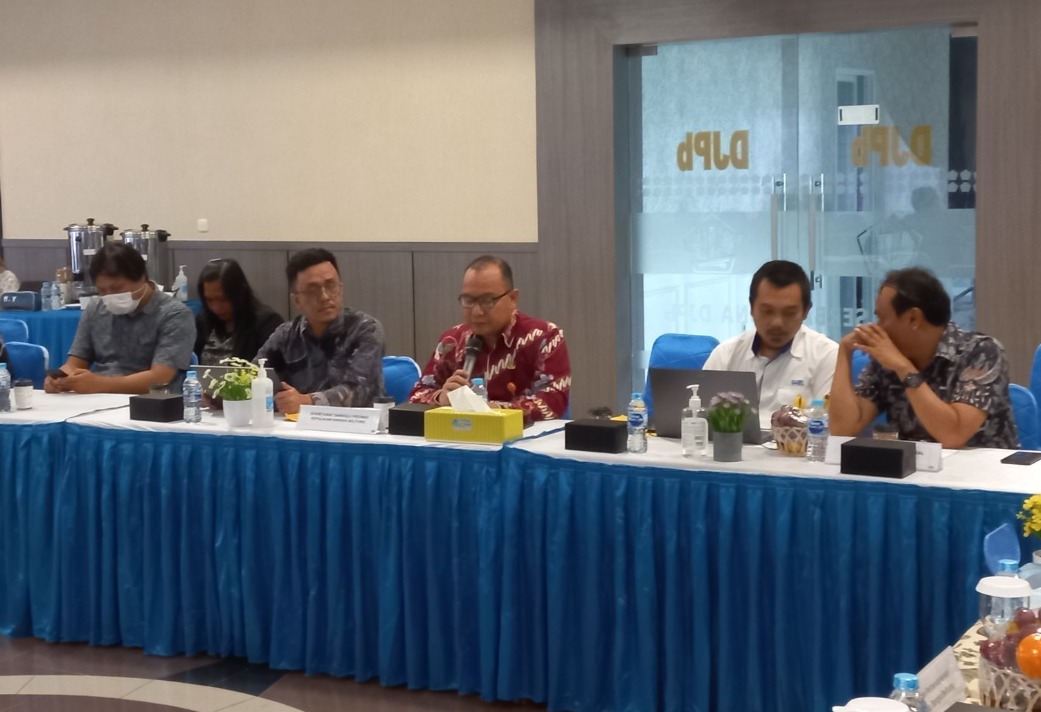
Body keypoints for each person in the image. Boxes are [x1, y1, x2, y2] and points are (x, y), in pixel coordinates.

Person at [829, 267, 1018, 449]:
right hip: (911, 466)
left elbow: (953, 435)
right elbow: (842, 429)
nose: (877, 327)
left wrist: (904, 369)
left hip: (980, 468)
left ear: (914, 318)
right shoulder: (887, 360)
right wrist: (844, 351)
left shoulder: (981, 352)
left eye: (882, 318)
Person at [409, 255, 570, 422]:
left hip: (522, 435)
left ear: (512, 299)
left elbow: (553, 401)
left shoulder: (544, 337)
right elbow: (416, 396)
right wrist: (440, 398)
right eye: (468, 300)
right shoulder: (451, 341)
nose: (477, 311)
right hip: (462, 433)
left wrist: (491, 410)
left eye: (487, 301)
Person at [43, 242, 195, 394]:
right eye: (102, 290)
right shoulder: (96, 308)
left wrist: (99, 384)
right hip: (98, 398)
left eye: (116, 288)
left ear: (141, 278)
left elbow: (160, 378)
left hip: (150, 400)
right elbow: (75, 364)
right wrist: (61, 379)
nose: (110, 295)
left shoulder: (175, 314)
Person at [703, 260, 838, 428]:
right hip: (731, 445)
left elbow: (829, 426)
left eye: (789, 313)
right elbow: (699, 417)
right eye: (767, 311)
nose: (777, 323)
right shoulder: (726, 354)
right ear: (751, 307)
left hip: (793, 445)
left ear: (806, 311)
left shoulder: (827, 355)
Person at [256, 248, 384, 414]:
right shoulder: (286, 335)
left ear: (341, 289)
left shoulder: (366, 329)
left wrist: (307, 401)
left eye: (331, 286)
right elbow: (254, 374)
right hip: (296, 425)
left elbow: (359, 390)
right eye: (313, 290)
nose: (324, 297)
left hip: (357, 424)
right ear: (297, 300)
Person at [194, 258, 283, 365]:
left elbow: (275, 368)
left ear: (239, 293)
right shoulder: (202, 320)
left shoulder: (266, 322)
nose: (216, 307)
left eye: (223, 300)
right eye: (209, 300)